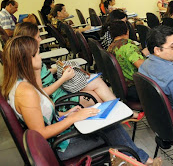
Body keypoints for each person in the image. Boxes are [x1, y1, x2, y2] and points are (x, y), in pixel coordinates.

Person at [2, 36, 154, 164]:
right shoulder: (26, 92)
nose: (40, 57)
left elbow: (43, 114)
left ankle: (139, 159)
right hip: (62, 146)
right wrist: (72, 119)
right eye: (35, 55)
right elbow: (40, 133)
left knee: (106, 123)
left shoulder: (21, 83)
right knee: (111, 127)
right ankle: (141, 160)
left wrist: (66, 113)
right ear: (24, 61)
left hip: (61, 133)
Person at [14, 22, 116, 106]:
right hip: (58, 100)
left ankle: (121, 112)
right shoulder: (31, 63)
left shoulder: (28, 58)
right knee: (97, 95)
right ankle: (120, 113)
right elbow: (41, 93)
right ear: (29, 39)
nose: (40, 39)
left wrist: (56, 69)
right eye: (38, 37)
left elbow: (42, 75)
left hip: (59, 91)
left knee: (97, 85)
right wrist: (64, 78)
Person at [107, 20, 147, 102]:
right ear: (127, 31)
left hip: (122, 87)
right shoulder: (127, 46)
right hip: (136, 88)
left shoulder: (110, 47)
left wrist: (141, 53)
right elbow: (144, 67)